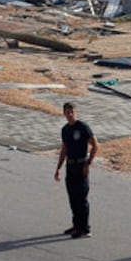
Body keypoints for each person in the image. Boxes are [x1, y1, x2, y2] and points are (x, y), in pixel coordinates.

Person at [54, 101, 98, 238]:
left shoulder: (83, 127)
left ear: (75, 112)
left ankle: (85, 228)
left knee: (81, 198)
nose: (70, 114)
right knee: (72, 198)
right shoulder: (65, 129)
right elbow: (64, 149)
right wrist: (58, 168)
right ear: (64, 113)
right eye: (67, 112)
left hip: (81, 166)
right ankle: (76, 225)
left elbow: (95, 145)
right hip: (70, 166)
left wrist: (88, 163)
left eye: (72, 111)